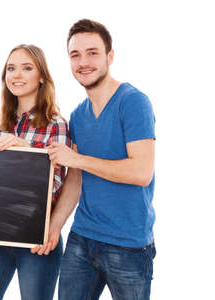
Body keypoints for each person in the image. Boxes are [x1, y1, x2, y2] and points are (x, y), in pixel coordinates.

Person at [46, 19, 156, 300]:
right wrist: (55, 226)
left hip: (129, 246)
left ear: (110, 56)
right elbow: (76, 179)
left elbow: (141, 171)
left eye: (92, 52)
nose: (83, 62)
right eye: (75, 55)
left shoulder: (133, 102)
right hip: (82, 238)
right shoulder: (78, 115)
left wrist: (78, 159)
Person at [0, 44, 70, 300]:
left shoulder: (56, 125)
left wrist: (26, 151)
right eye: (11, 68)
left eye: (27, 68)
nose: (17, 74)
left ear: (41, 78)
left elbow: (55, 185)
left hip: (38, 238)